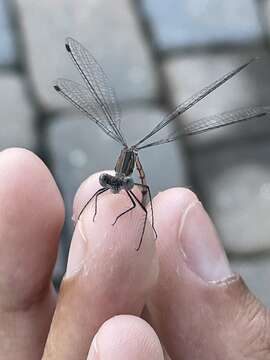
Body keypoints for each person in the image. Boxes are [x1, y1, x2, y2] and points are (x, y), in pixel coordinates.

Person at [0, 147, 269, 360]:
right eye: (112, 182)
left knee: (138, 208)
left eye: (115, 182)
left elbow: (135, 193)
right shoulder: (113, 183)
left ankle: (139, 228)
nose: (112, 184)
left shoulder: (131, 185)